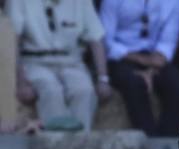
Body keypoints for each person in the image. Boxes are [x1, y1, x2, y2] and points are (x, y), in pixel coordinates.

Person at [6, 0, 111, 131]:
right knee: (51, 90)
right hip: (35, 61)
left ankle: (81, 144)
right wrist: (21, 82)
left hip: (72, 61)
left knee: (84, 91)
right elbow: (12, 40)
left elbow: (96, 38)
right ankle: (55, 144)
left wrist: (103, 78)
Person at [99, 0, 179, 137]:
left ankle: (167, 143)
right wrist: (140, 60)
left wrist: (152, 68)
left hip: (155, 56)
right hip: (121, 55)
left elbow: (168, 41)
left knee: (178, 87)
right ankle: (149, 142)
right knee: (134, 83)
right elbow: (106, 40)